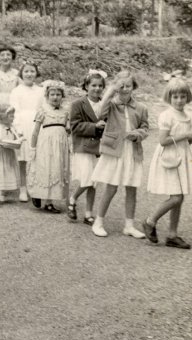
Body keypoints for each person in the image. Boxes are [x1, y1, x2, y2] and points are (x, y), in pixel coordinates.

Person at [91, 71, 149, 238]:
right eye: (121, 86)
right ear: (116, 87)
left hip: (132, 150)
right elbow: (100, 113)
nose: (125, 89)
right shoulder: (111, 105)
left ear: (134, 87)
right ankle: (98, 222)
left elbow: (145, 128)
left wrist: (137, 134)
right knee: (111, 187)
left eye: (128, 86)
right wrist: (111, 90)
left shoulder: (141, 108)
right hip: (115, 150)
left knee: (131, 188)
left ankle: (129, 226)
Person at [142, 78, 192, 249]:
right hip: (170, 157)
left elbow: (188, 139)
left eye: (183, 96)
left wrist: (189, 137)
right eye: (175, 97)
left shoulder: (188, 115)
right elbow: (163, 140)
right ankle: (150, 221)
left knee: (180, 197)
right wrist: (185, 135)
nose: (179, 100)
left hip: (183, 156)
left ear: (187, 97)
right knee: (176, 197)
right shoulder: (167, 116)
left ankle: (172, 234)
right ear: (169, 98)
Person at [67, 70, 106, 225]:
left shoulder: (105, 104)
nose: (97, 89)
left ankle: (88, 214)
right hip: (83, 146)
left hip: (99, 147)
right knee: (88, 179)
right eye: (93, 85)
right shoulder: (78, 104)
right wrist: (94, 126)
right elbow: (75, 126)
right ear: (86, 86)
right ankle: (73, 199)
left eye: (100, 86)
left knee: (94, 181)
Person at [27, 80, 70, 213]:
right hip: (46, 144)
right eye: (52, 94)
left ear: (62, 96)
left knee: (57, 169)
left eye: (58, 94)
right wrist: (33, 148)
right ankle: (43, 198)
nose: (55, 97)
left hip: (60, 145)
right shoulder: (43, 111)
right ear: (47, 96)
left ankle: (51, 198)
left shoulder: (65, 112)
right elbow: (35, 132)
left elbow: (67, 129)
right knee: (46, 169)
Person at [8, 62, 44, 201]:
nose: (29, 74)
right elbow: (14, 110)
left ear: (36, 74)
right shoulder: (17, 91)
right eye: (26, 71)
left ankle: (34, 185)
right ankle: (22, 188)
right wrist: (18, 128)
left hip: (36, 125)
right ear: (21, 74)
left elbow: (42, 108)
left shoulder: (40, 91)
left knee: (35, 157)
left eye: (32, 71)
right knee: (22, 159)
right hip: (22, 124)